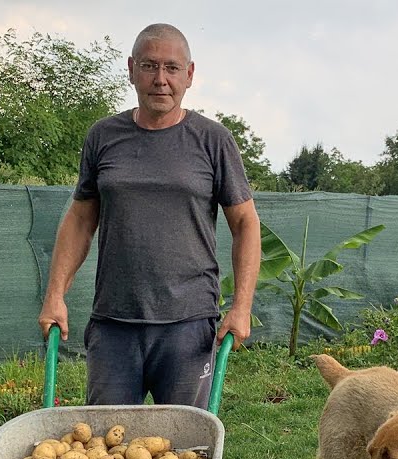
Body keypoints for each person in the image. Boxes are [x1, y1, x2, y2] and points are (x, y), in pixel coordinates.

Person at [37, 23, 261, 409]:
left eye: (172, 68)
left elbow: (245, 223)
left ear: (189, 75)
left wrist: (241, 307)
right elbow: (80, 219)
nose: (161, 79)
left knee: (185, 449)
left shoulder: (212, 140)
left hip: (188, 325)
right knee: (104, 449)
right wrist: (55, 295)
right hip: (114, 324)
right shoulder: (103, 136)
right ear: (130, 69)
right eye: (149, 66)